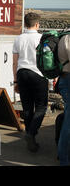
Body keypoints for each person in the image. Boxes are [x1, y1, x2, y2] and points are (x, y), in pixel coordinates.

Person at [13, 12, 46, 152]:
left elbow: (14, 61)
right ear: (37, 24)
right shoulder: (42, 38)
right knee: (41, 107)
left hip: (22, 73)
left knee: (27, 107)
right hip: (38, 74)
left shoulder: (18, 39)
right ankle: (31, 133)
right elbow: (47, 60)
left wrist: (15, 81)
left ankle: (29, 135)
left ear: (25, 24)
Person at [58, 29, 70, 165]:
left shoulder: (64, 37)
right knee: (68, 123)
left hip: (64, 79)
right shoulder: (68, 38)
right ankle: (64, 159)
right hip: (68, 80)